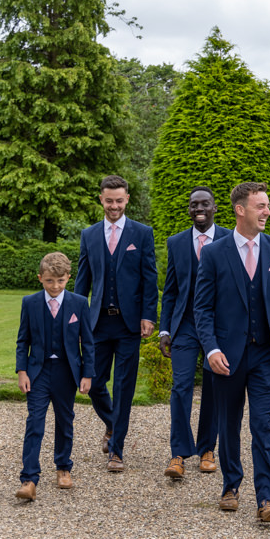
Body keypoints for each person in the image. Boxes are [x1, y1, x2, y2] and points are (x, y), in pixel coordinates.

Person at [193, 182, 270, 522]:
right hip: (226, 355)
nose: (267, 211)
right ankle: (230, 484)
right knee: (229, 423)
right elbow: (202, 309)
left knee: (262, 424)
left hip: (267, 354)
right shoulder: (213, 253)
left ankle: (267, 499)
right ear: (241, 210)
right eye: (261, 206)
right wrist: (210, 349)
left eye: (267, 205)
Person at [75, 175, 158, 472]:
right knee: (94, 382)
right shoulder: (89, 234)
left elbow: (150, 278)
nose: (114, 206)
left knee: (124, 387)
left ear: (127, 199)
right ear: (101, 199)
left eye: (119, 201)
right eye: (109, 200)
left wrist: (149, 315)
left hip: (128, 325)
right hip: (97, 323)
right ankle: (112, 424)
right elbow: (82, 282)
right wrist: (74, 320)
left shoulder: (142, 233)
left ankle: (117, 450)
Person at [14, 252, 94, 501]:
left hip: (67, 373)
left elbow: (88, 343)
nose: (55, 286)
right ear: (40, 278)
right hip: (37, 372)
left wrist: (87, 374)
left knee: (65, 420)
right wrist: (22, 371)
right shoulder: (29, 303)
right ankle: (29, 478)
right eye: (49, 281)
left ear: (68, 278)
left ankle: (63, 468)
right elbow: (22, 341)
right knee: (34, 422)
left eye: (60, 281)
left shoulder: (79, 303)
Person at [158, 187, 225, 479]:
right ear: (189, 209)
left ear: (214, 208)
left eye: (205, 204)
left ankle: (208, 448)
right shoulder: (176, 242)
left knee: (213, 388)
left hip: (217, 327)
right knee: (181, 386)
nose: (199, 208)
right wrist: (164, 328)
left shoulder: (228, 239)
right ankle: (178, 452)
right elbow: (171, 289)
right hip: (184, 325)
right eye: (194, 204)